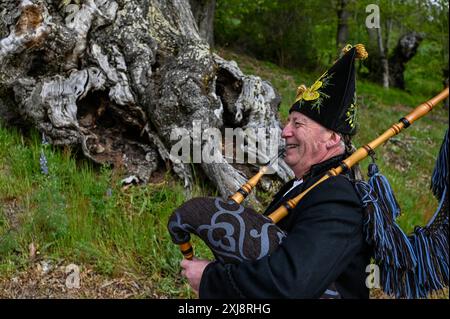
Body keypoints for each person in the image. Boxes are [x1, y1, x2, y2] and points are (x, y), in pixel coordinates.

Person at [180, 44, 373, 299]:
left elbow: (291, 284)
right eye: (287, 122)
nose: (285, 131)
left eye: (298, 124)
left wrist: (211, 279)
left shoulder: (338, 196)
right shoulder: (304, 185)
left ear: (332, 138)